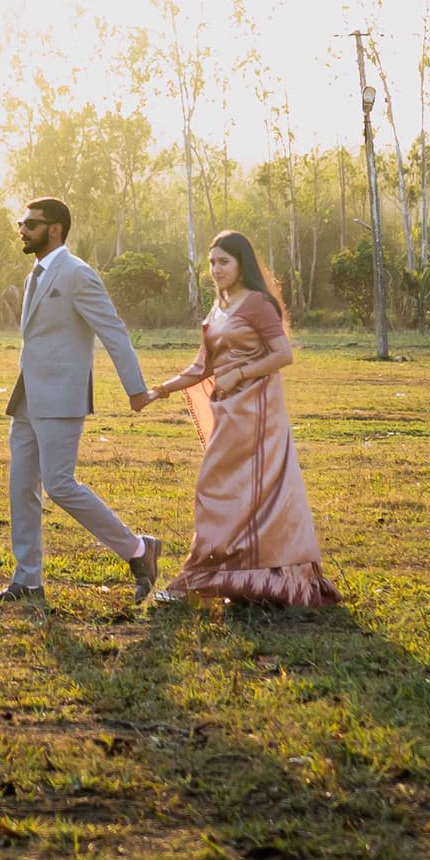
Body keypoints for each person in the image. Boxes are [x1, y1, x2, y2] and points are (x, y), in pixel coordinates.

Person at [130, 228, 339, 609]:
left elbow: (283, 354)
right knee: (223, 492)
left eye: (223, 262)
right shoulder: (218, 307)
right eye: (211, 263)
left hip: (257, 412)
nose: (215, 269)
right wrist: (158, 391)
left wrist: (240, 373)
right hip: (227, 412)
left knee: (233, 492)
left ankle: (212, 580)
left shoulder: (257, 303)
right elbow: (201, 367)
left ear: (242, 264)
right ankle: (226, 577)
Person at [0, 196, 165, 607]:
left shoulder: (77, 274)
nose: (22, 230)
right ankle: (27, 581)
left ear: (55, 229)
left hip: (62, 396)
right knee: (21, 489)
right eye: (21, 222)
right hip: (28, 395)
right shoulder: (38, 273)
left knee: (60, 485)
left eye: (30, 224)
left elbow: (113, 330)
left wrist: (136, 389)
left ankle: (139, 550)